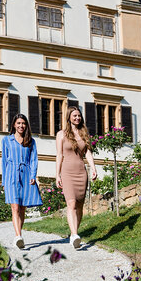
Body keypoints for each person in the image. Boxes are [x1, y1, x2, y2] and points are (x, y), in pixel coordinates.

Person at [55, 106, 97, 248]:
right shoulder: (61, 134)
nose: (77, 118)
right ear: (69, 117)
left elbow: (88, 152)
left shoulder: (84, 133)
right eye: (74, 116)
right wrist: (57, 175)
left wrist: (93, 168)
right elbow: (59, 155)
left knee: (79, 206)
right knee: (71, 203)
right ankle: (74, 235)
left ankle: (75, 233)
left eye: (79, 115)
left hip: (81, 172)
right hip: (67, 172)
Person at [1, 113, 43, 248]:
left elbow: (34, 159)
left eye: (23, 123)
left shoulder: (31, 141)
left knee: (22, 208)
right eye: (18, 123)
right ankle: (18, 236)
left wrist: (33, 175)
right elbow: (4, 161)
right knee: (15, 207)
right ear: (14, 124)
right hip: (11, 175)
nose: (21, 125)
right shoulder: (6, 140)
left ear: (26, 125)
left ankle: (19, 234)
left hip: (26, 175)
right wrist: (3, 181)